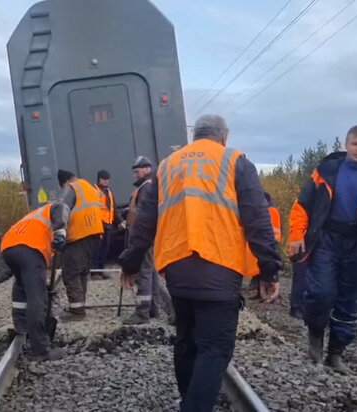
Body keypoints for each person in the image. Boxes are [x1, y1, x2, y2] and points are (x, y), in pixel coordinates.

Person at [119, 115, 281, 411]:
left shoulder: (166, 166)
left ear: (195, 136)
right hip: (220, 265)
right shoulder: (235, 162)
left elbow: (144, 223)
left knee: (187, 340)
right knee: (215, 349)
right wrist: (269, 269)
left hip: (177, 268)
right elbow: (258, 221)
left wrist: (130, 263)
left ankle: (188, 397)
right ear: (224, 137)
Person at [289, 125, 357, 373]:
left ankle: (335, 353)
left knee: (349, 301)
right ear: (345, 144)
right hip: (327, 240)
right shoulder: (326, 171)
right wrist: (297, 235)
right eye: (354, 144)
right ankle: (316, 337)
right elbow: (302, 205)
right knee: (321, 293)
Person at [0, 202, 67, 361]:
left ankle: (22, 328)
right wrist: (61, 233)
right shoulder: (55, 208)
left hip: (8, 248)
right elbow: (61, 207)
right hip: (30, 247)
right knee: (37, 297)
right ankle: (40, 349)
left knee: (22, 286)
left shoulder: (33, 216)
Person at [55, 169, 103, 321]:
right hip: (94, 232)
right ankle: (79, 306)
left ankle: (77, 312)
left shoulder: (71, 187)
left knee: (70, 272)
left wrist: (59, 230)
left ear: (65, 181)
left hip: (79, 233)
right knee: (82, 271)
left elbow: (62, 207)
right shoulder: (88, 186)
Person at [123, 156, 161, 325]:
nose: (135, 175)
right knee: (151, 273)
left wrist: (138, 238)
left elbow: (144, 216)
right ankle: (153, 309)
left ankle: (142, 312)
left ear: (147, 169)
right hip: (147, 236)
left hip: (144, 236)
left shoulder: (146, 188)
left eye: (137, 171)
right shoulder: (146, 187)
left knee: (144, 274)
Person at [249, 192, 282, 299]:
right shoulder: (267, 210)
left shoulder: (271, 211)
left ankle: (269, 294)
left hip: (271, 242)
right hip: (267, 241)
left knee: (271, 267)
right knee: (260, 267)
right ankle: (260, 293)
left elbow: (271, 228)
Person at [92, 170, 115, 279]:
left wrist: (120, 222)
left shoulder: (108, 191)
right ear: (99, 179)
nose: (106, 182)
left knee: (105, 248)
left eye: (107, 180)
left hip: (107, 224)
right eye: (104, 179)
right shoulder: (94, 191)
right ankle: (95, 272)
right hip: (98, 224)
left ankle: (100, 270)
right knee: (97, 248)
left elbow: (112, 207)